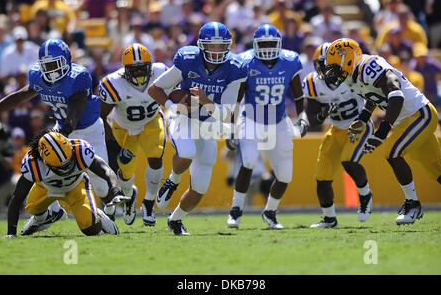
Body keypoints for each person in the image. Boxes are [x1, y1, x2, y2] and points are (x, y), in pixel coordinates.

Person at [324, 38, 441, 225]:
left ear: (347, 59)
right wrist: (364, 116)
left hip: (419, 114)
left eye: (334, 66)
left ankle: (412, 204)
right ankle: (413, 203)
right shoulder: (352, 76)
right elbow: (373, 93)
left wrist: (382, 132)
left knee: (391, 151)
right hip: (406, 121)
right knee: (438, 170)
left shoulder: (369, 65)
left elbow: (395, 93)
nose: (331, 72)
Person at [0, 38, 120, 219]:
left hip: (88, 129)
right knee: (44, 166)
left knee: (101, 186)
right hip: (62, 128)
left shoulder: (78, 77)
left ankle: (116, 202)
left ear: (66, 61)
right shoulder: (39, 77)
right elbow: (20, 96)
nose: (51, 70)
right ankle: (53, 212)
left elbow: (76, 108)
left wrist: (64, 132)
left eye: (55, 64)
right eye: (46, 66)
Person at [148, 22, 248, 235]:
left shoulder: (234, 68)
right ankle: (173, 180)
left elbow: (229, 115)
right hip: (183, 117)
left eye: (221, 46)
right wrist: (174, 106)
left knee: (200, 187)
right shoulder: (188, 59)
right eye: (212, 46)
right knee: (187, 153)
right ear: (202, 46)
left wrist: (206, 101)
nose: (217, 51)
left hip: (209, 123)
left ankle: (175, 220)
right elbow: (155, 88)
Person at [226, 23, 308, 229]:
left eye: (272, 43)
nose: (268, 47)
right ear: (255, 44)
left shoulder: (289, 61)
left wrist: (303, 116)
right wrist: (232, 128)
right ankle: (236, 209)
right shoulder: (245, 62)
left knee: (285, 174)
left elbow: (299, 95)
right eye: (264, 44)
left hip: (278, 121)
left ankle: (270, 212)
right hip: (251, 119)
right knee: (249, 161)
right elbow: (237, 99)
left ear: (280, 44)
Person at [2, 130, 129, 238]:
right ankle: (47, 217)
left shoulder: (80, 150)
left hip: (75, 186)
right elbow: (17, 197)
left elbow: (107, 171)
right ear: (44, 161)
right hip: (46, 188)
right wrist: (11, 233)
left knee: (91, 229)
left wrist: (116, 191)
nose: (66, 169)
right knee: (32, 208)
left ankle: (96, 214)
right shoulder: (33, 163)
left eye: (69, 162)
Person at [304, 43, 374, 228]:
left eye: (326, 64)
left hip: (358, 125)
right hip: (336, 129)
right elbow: (312, 119)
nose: (323, 69)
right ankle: (329, 219)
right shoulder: (312, 83)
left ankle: (365, 195)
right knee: (322, 176)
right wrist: (323, 114)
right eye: (320, 64)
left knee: (348, 160)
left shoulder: (352, 76)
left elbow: (372, 97)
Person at [99, 43, 169, 226]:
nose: (138, 72)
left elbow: (175, 94)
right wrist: (114, 147)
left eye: (142, 68)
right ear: (125, 69)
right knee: (126, 172)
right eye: (134, 69)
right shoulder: (113, 83)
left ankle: (148, 203)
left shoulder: (162, 71)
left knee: (156, 157)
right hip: (123, 127)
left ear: (150, 66)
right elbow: (101, 116)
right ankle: (129, 197)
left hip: (150, 122)